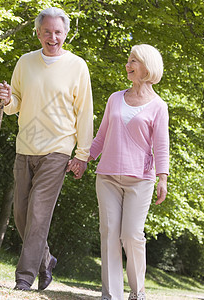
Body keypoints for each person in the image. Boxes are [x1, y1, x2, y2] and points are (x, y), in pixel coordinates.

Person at [0, 7, 93, 291]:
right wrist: (4, 98)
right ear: (38, 32)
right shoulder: (25, 63)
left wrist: (82, 155)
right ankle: (46, 259)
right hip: (26, 146)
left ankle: (24, 278)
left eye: (58, 32)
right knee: (21, 215)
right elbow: (14, 105)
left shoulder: (77, 66)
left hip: (58, 150)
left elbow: (85, 113)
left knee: (38, 214)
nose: (52, 37)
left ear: (66, 34)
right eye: (47, 31)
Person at [73, 44, 169, 300]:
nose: (128, 65)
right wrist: (83, 159)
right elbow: (101, 136)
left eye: (133, 61)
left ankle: (137, 292)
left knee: (131, 234)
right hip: (107, 177)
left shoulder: (159, 106)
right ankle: (111, 294)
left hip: (141, 179)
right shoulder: (115, 98)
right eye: (128, 60)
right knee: (109, 233)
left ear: (147, 66)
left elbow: (161, 144)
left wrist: (163, 177)